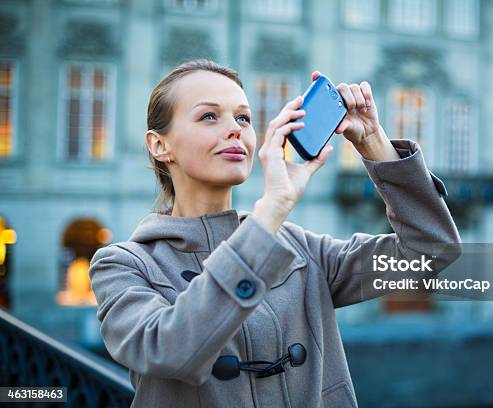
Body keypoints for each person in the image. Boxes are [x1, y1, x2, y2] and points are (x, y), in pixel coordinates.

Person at [89, 59, 461, 407]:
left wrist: (374, 142)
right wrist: (272, 210)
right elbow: (168, 352)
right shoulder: (122, 265)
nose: (235, 128)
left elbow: (430, 250)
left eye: (244, 117)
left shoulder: (301, 249)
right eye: (208, 116)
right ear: (159, 145)